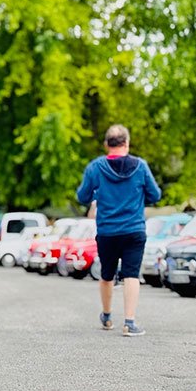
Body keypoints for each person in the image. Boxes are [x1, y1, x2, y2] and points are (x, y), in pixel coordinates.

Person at [76, 125, 161, 336]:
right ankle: (129, 323)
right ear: (127, 143)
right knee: (131, 274)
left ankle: (106, 316)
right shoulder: (140, 167)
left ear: (107, 144)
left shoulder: (95, 168)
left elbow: (82, 197)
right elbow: (155, 195)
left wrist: (98, 193)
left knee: (106, 274)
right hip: (133, 229)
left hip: (107, 231)